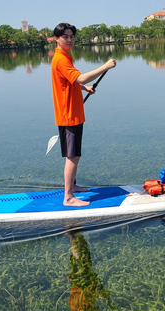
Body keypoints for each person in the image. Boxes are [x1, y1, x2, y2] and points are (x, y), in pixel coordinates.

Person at [51, 22, 116, 207]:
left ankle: (73, 185)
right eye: (65, 37)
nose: (69, 40)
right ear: (57, 39)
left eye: (71, 36)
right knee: (72, 156)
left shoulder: (64, 56)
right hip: (69, 114)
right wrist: (105, 67)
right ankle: (69, 197)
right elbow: (80, 77)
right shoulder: (61, 59)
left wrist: (84, 88)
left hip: (72, 112)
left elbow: (71, 81)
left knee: (74, 154)